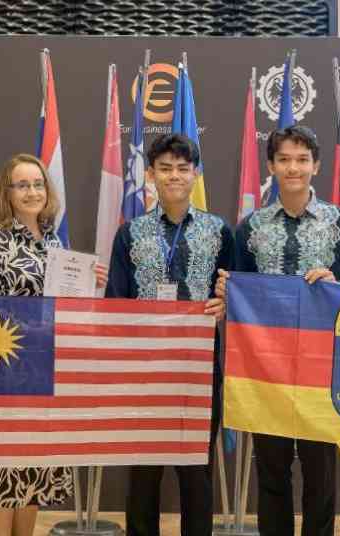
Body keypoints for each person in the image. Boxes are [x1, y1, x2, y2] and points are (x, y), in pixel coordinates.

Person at [216, 125, 340, 536]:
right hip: (267, 368)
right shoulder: (251, 227)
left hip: (323, 368)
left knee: (321, 474)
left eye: (302, 160)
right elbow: (237, 288)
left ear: (316, 165)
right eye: (284, 159)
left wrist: (336, 284)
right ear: (270, 166)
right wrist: (228, 291)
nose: (293, 168)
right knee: (271, 470)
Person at [106, 133, 234, 536]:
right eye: (165, 168)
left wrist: (226, 303)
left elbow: (236, 293)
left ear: (195, 174)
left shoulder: (219, 231)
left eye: (182, 168)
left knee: (197, 472)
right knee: (143, 474)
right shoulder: (130, 233)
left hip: (198, 369)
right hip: (144, 371)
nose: (174, 176)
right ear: (150, 174)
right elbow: (115, 301)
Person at [0, 153, 107, 536]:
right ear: (7, 192)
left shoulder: (53, 242)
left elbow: (64, 306)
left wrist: (89, 283)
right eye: (22, 185)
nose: (32, 192)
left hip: (46, 371)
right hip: (5, 373)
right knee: (2, 468)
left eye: (37, 184)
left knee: (33, 466)